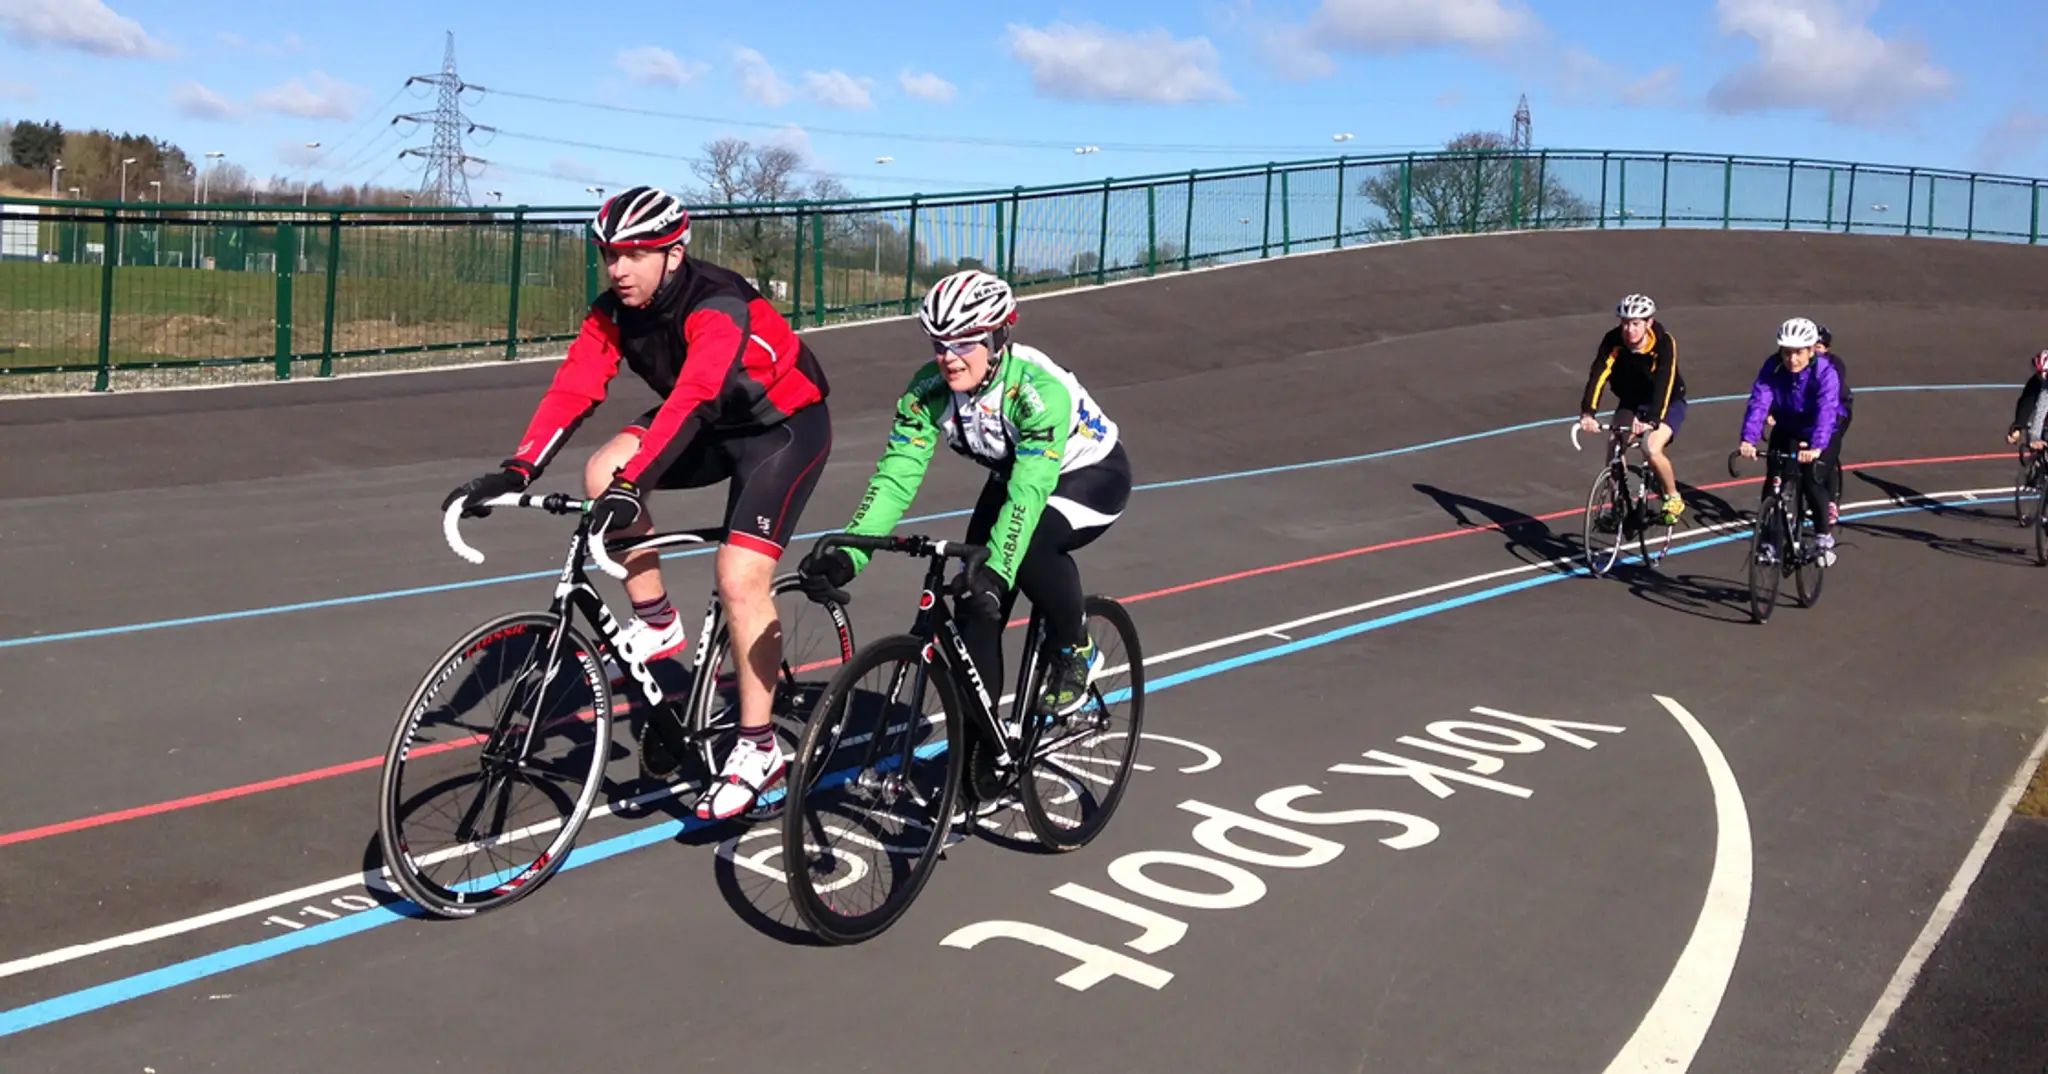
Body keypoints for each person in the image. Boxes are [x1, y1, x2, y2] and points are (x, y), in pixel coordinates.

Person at [442, 185, 833, 821]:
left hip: (780, 430)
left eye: (634, 254)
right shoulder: (613, 311)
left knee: (739, 577)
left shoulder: (718, 303)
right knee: (601, 469)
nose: (618, 269)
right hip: (705, 422)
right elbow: (574, 386)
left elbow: (699, 391)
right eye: (609, 255)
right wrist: (517, 469)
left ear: (674, 253)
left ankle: (759, 750)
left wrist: (637, 484)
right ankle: (655, 617)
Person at [797, 268, 1130, 718]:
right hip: (1013, 475)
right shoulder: (926, 393)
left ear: (996, 338)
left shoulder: (1036, 390)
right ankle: (983, 756)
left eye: (964, 343)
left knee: (1026, 549)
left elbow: (1030, 491)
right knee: (976, 606)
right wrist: (849, 554)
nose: (949, 358)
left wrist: (998, 567)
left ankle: (1075, 646)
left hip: (1088, 474)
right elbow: (895, 480)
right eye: (939, 344)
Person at [1738, 317, 1844, 564]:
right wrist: (1748, 439)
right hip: (1787, 426)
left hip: (1819, 429)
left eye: (1798, 353)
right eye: (1786, 353)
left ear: (1810, 351)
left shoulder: (1826, 372)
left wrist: (1817, 446)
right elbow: (1759, 401)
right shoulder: (1773, 367)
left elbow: (1826, 411)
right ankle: (1768, 542)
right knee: (1773, 478)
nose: (1791, 360)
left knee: (1811, 478)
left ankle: (1822, 538)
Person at [1579, 293, 1688, 524]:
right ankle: (1619, 501)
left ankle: (1673, 496)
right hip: (1632, 400)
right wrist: (1589, 412)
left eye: (1636, 324)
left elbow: (1663, 383)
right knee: (1614, 446)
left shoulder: (1663, 343)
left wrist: (1652, 420)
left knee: (1650, 446)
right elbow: (1598, 374)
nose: (1629, 330)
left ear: (1648, 323)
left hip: (1667, 402)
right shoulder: (1613, 341)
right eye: (1625, 323)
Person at [1815, 325, 1853, 523]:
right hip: (1811, 412)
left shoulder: (1834, 364)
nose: (1815, 350)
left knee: (1827, 452)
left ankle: (1830, 502)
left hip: (1838, 411)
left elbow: (1829, 400)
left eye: (1819, 346)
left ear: (1826, 348)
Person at [2006, 350, 2048, 452]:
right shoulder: (2037, 382)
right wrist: (2018, 426)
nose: (2042, 378)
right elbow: (2028, 403)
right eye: (2039, 373)